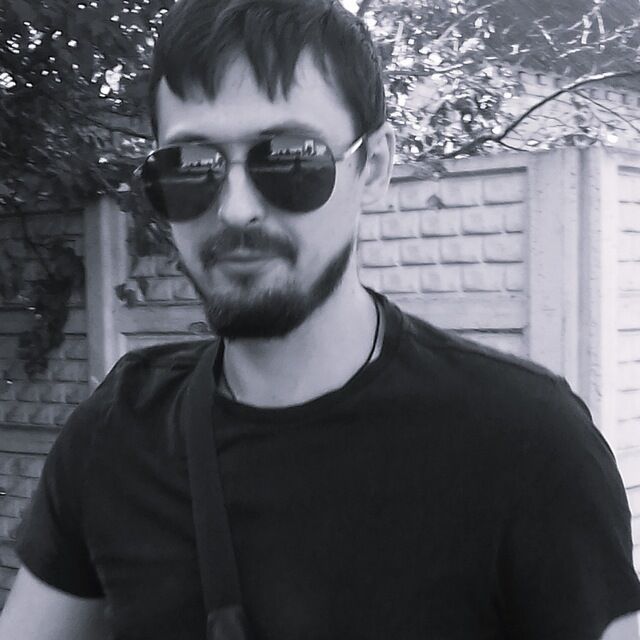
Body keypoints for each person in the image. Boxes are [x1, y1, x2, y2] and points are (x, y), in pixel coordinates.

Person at [1, 0, 640, 638]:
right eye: (192, 166)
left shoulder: (525, 442)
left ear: (374, 167)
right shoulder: (119, 432)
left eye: (289, 159)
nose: (236, 210)